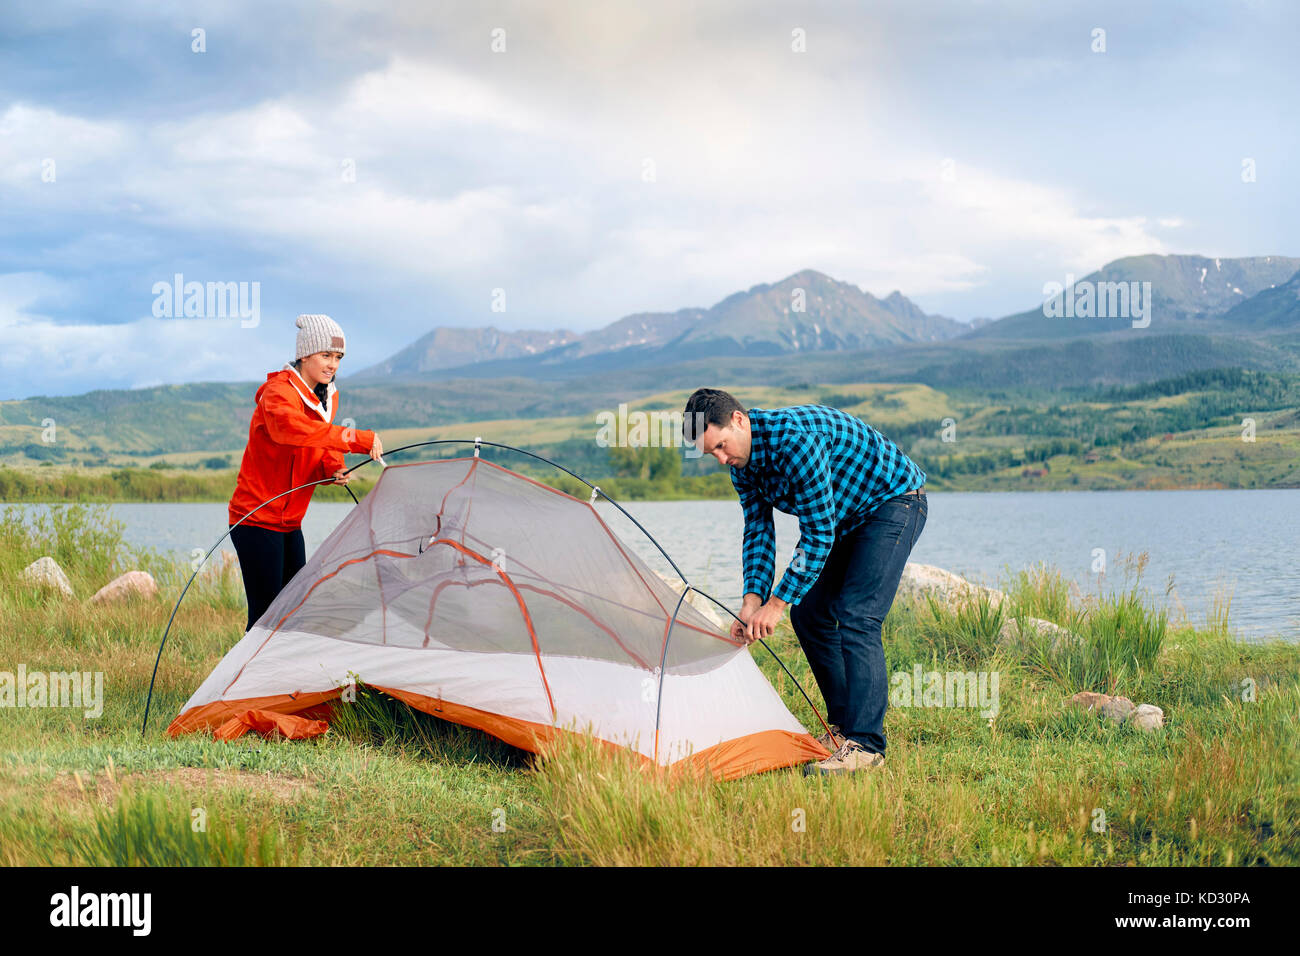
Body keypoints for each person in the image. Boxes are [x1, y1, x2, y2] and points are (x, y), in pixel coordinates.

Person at [682, 388, 927, 775]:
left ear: (739, 421)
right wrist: (751, 601)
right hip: (845, 519)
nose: (722, 458)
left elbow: (818, 533)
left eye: (722, 446)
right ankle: (845, 730)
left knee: (856, 616)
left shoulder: (795, 441)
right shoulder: (742, 467)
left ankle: (866, 747)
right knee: (811, 615)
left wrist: (776, 604)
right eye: (712, 453)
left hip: (893, 504)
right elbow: (758, 531)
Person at [227, 314, 384, 632]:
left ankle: (282, 681)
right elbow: (293, 431)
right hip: (255, 519)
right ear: (305, 354)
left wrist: (334, 466)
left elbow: (317, 444)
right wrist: (355, 439)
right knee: (264, 618)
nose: (333, 364)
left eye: (338, 357)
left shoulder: (327, 396)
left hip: (290, 522)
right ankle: (248, 681)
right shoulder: (277, 393)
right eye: (326, 355)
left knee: (293, 612)